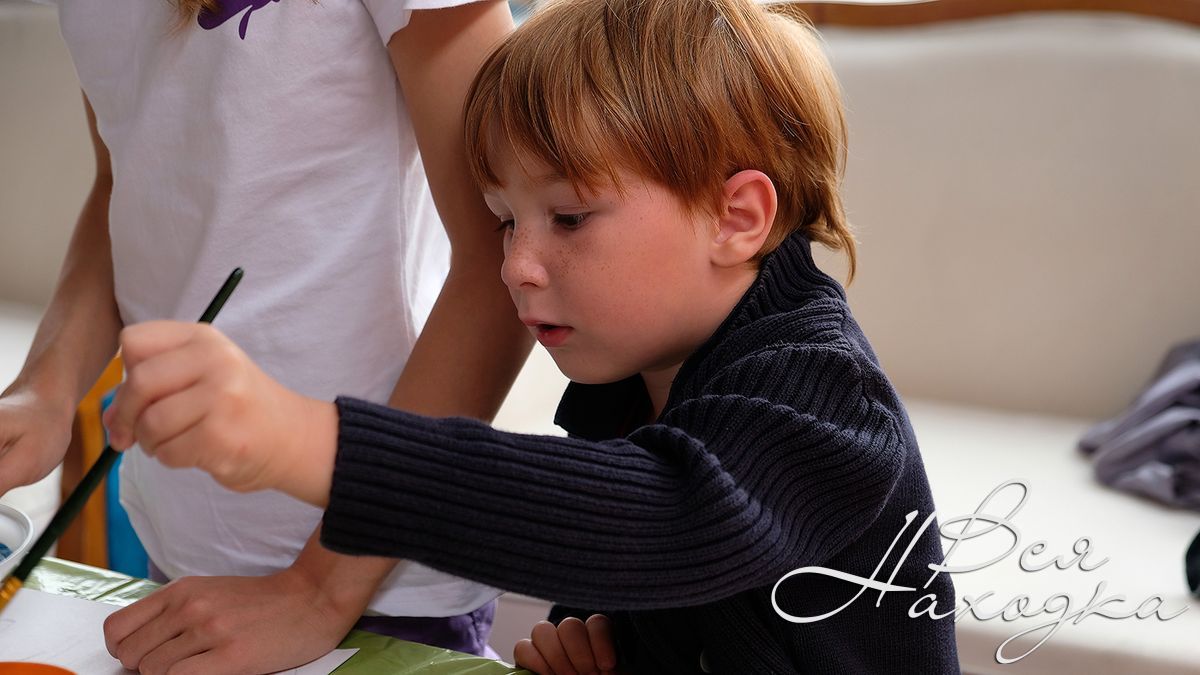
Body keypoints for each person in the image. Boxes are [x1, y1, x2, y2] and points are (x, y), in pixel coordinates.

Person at [103, 0, 962, 672]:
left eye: (570, 217)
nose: (515, 265)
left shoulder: (824, 399)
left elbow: (658, 519)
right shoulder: (627, 375)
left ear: (737, 217)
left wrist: (301, 440)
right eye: (505, 221)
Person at [0, 0, 530, 672]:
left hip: (376, 575)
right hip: (188, 565)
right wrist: (45, 391)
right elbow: (124, 187)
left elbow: (504, 251)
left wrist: (317, 590)